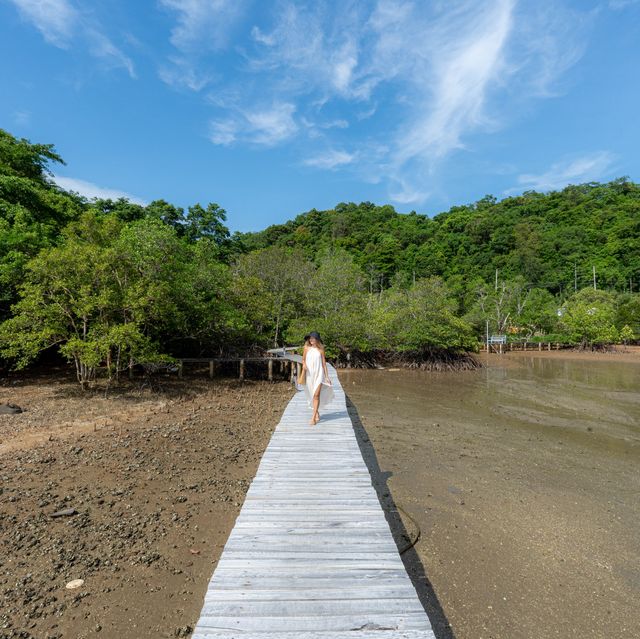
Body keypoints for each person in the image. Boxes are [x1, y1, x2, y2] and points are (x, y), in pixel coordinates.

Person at [301, 331, 334, 425]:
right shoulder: (306, 348)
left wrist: (327, 377)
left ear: (317, 340)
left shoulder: (321, 350)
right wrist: (303, 365)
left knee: (316, 395)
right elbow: (303, 360)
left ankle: (313, 417)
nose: (311, 340)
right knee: (312, 395)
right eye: (310, 338)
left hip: (319, 374)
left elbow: (324, 364)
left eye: (313, 338)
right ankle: (316, 412)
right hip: (309, 375)